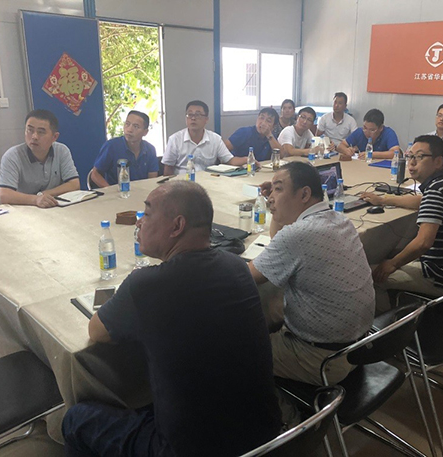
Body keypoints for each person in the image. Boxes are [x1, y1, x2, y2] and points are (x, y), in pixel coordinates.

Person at [62, 181, 282, 457]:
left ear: (177, 226)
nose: (139, 223)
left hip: (186, 450)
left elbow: (96, 331)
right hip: (266, 437)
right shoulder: (237, 267)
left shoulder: (147, 285)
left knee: (76, 419)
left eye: (147, 214)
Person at [248, 162, 375, 386]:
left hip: (321, 360)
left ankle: (282, 407)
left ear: (305, 194)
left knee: (228, 350)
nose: (270, 198)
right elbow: (279, 239)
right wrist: (276, 206)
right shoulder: (340, 220)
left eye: (279, 188)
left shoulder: (298, 235)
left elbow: (244, 278)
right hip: (358, 349)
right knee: (273, 305)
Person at [360, 136, 443, 311]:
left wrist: (392, 264)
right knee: (393, 252)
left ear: (438, 162)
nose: (412, 162)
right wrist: (383, 200)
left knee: (367, 276)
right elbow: (421, 201)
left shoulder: (435, 193)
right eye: (410, 156)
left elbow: (423, 243)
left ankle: (390, 324)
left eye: (420, 157)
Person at [0, 109, 80, 208]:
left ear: (54, 137)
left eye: (41, 132)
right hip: (25, 209)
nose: (34, 136)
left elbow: (74, 184)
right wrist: (36, 199)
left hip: (53, 207)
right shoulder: (12, 156)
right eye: (30, 130)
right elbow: (4, 195)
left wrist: (44, 195)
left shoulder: (61, 150)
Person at [162, 100, 248, 176]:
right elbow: (168, 169)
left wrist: (248, 159)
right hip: (183, 183)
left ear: (206, 119)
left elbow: (230, 160)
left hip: (209, 181)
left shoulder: (215, 139)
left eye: (198, 115)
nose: (193, 118)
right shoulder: (175, 139)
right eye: (190, 114)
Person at [89, 110, 159, 188]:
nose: (129, 130)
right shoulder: (111, 146)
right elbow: (95, 174)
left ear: (145, 132)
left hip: (142, 192)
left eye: (136, 126)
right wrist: (110, 190)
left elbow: (152, 179)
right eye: (127, 124)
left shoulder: (150, 149)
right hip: (116, 192)